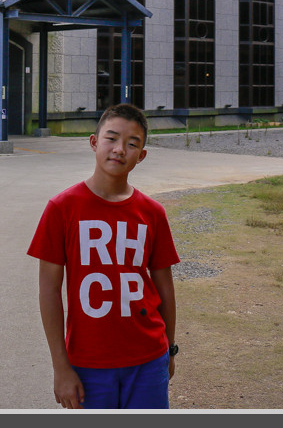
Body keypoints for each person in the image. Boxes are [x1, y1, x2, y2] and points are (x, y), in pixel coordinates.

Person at [27, 103, 180, 410]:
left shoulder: (152, 213)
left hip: (148, 358)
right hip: (88, 363)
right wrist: (61, 367)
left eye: (132, 143)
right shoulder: (62, 208)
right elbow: (49, 290)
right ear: (94, 142)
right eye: (112, 138)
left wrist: (169, 350)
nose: (120, 149)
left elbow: (164, 286)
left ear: (142, 155)